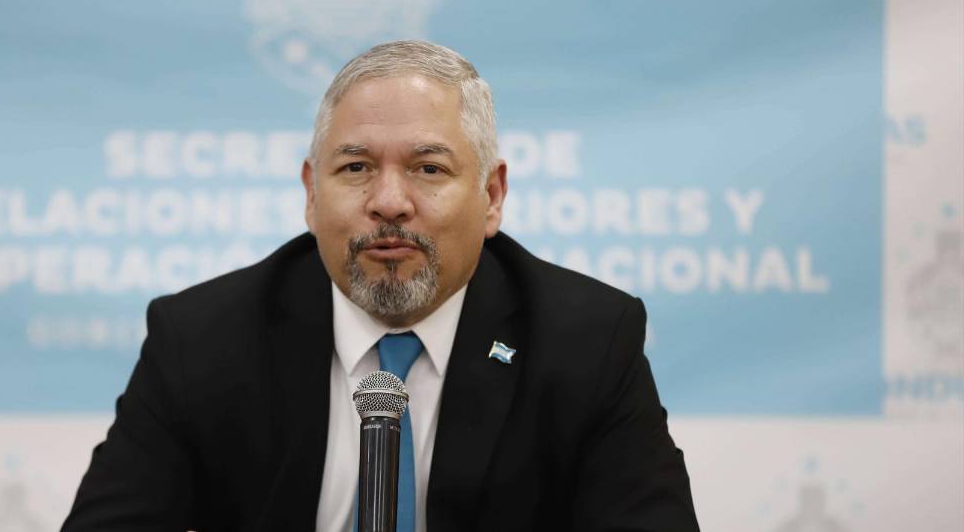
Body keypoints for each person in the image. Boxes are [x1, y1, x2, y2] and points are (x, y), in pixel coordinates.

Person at [62, 41, 699, 531]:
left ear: (492, 196)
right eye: (356, 167)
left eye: (429, 168)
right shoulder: (202, 339)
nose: (389, 201)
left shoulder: (585, 342)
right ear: (312, 195)